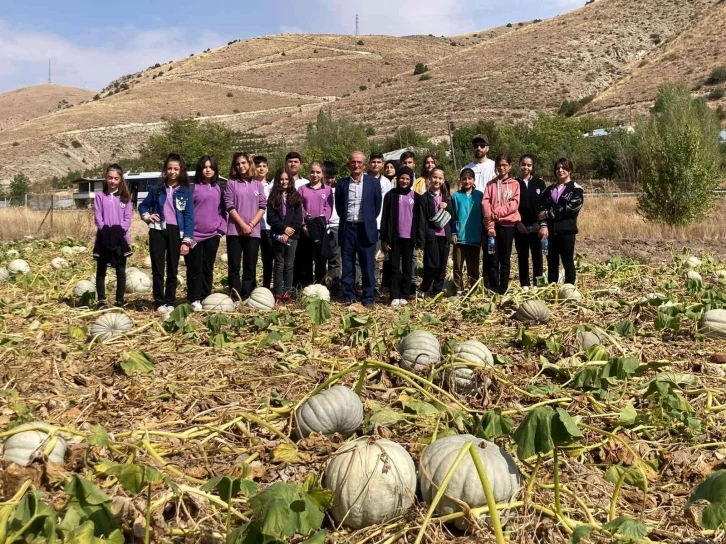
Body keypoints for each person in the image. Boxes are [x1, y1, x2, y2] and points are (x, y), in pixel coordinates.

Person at [139, 153, 195, 314]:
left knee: (173, 268)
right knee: (157, 268)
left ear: (181, 171)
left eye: (176, 169)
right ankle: (159, 301)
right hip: (157, 231)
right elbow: (143, 206)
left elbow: (189, 217)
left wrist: (187, 240)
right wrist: (148, 217)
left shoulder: (185, 192)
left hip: (175, 232)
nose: (172, 172)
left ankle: (170, 301)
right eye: (169, 168)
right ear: (165, 170)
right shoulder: (157, 190)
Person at [335, 151, 382, 307]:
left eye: (359, 162)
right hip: (347, 228)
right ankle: (349, 296)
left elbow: (376, 207)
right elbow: (339, 208)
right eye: (353, 162)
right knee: (347, 264)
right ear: (348, 164)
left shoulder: (373, 183)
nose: (356, 165)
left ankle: (368, 297)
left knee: (367, 265)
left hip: (365, 229)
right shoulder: (341, 184)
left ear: (364, 165)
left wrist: (366, 221)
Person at [223, 152, 266, 301]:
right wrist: (242, 225)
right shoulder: (231, 183)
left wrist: (251, 224)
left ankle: (247, 295)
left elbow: (262, 206)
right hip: (235, 231)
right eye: (237, 164)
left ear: (249, 164)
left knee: (250, 265)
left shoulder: (258, 185)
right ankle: (235, 296)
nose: (241, 166)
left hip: (253, 232)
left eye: (243, 163)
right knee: (234, 266)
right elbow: (229, 205)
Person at [185, 155, 226, 311]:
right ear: (200, 169)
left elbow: (223, 211)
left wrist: (220, 230)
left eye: (211, 167)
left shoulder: (218, 188)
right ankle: (194, 298)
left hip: (212, 236)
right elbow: (185, 212)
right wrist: (186, 235)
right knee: (194, 269)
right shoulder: (192, 188)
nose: (208, 170)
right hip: (194, 236)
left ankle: (205, 297)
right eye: (205, 167)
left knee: (208, 268)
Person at [93, 164, 133, 309]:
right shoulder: (99, 196)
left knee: (120, 271)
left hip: (120, 239)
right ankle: (102, 300)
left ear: (120, 180)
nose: (113, 181)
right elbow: (98, 217)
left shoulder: (125, 198)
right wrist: (105, 231)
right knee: (101, 270)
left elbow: (127, 219)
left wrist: (117, 232)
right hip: (103, 237)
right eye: (110, 178)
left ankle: (119, 300)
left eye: (116, 178)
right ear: (106, 178)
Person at [538, 158, 584, 285]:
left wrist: (549, 213)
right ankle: (552, 290)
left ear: (570, 171)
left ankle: (569, 290)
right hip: (550, 233)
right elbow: (541, 210)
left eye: (563, 168)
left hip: (566, 232)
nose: (560, 170)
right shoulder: (548, 190)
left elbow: (570, 209)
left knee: (567, 262)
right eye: (557, 168)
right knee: (552, 262)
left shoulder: (576, 189)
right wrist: (543, 225)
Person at [483, 154, 520, 295]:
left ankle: (503, 288)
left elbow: (513, 204)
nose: (502, 167)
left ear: (509, 166)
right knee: (493, 257)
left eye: (504, 165)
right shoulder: (490, 184)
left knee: (505, 259)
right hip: (493, 227)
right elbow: (485, 204)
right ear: (496, 167)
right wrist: (490, 225)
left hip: (507, 226)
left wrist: (497, 213)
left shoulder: (514, 184)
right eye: (499, 165)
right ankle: (494, 287)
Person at [380, 166, 417, 306]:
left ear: (411, 180)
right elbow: (385, 218)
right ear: (398, 179)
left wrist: (418, 239)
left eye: (408, 179)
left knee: (408, 267)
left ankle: (405, 294)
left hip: (409, 238)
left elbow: (418, 220)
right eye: (402, 178)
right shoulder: (390, 195)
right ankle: (394, 295)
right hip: (394, 237)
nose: (405, 181)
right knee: (394, 267)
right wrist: (384, 238)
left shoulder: (415, 197)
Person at [268, 169, 303, 302]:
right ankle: (277, 292)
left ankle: (287, 292)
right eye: (281, 179)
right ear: (278, 181)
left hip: (292, 236)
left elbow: (298, 219)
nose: (284, 182)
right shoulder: (272, 197)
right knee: (279, 264)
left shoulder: (296, 197)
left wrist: (289, 232)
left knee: (289, 264)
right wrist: (283, 229)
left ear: (290, 181)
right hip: (278, 235)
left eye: (286, 179)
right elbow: (271, 218)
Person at [298, 161, 334, 285]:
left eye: (318, 172)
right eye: (312, 172)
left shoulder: (328, 190)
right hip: (306, 230)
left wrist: (320, 223)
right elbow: (300, 208)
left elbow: (328, 208)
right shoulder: (302, 189)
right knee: (306, 259)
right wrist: (304, 225)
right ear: (308, 173)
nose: (315, 174)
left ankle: (320, 285)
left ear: (322, 174)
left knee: (321, 259)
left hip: (320, 230)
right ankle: (306, 285)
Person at [416, 167, 451, 296]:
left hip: (444, 235)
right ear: (430, 178)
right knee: (432, 264)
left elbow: (453, 214)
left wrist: (447, 207)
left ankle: (437, 290)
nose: (437, 180)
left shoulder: (446, 197)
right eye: (434, 177)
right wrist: (421, 240)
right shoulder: (424, 198)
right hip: (431, 235)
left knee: (442, 265)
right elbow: (421, 220)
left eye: (440, 178)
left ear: (444, 180)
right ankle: (424, 288)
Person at [515, 154, 547, 289]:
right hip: (520, 227)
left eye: (529, 165)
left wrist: (539, 224)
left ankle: (538, 285)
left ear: (533, 167)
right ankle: (525, 285)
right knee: (522, 257)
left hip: (536, 227)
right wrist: (518, 223)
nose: (525, 167)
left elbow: (544, 205)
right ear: (519, 165)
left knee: (538, 258)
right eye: (523, 164)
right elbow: (512, 206)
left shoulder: (540, 183)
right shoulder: (514, 183)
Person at [450, 168, 483, 295]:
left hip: (475, 236)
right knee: (458, 265)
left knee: (473, 266)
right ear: (460, 180)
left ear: (474, 180)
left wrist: (483, 234)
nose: (467, 181)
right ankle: (458, 288)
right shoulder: (456, 196)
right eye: (464, 178)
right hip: (460, 236)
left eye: (469, 178)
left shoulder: (479, 196)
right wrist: (453, 233)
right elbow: (452, 217)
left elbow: (483, 216)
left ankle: (473, 289)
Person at [368, 152, 393, 291]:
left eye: (378, 162)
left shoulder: (386, 182)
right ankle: (367, 283)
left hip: (380, 224)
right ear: (369, 163)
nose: (376, 164)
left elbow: (388, 204)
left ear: (382, 164)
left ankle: (377, 285)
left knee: (378, 257)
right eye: (373, 162)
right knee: (365, 257)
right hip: (365, 224)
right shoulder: (364, 179)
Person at [254, 155, 274, 290]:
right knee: (252, 259)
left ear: (267, 169)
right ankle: (250, 287)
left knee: (268, 260)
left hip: (268, 227)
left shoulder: (272, 187)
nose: (261, 169)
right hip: (252, 228)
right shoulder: (249, 185)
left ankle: (266, 287)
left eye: (263, 166)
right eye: (258, 166)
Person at [323, 161, 342, 293]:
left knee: (335, 258)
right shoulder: (318, 188)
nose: (330, 180)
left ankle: (335, 283)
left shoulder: (339, 188)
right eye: (327, 177)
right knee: (320, 257)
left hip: (336, 225)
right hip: (321, 226)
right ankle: (320, 283)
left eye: (332, 177)